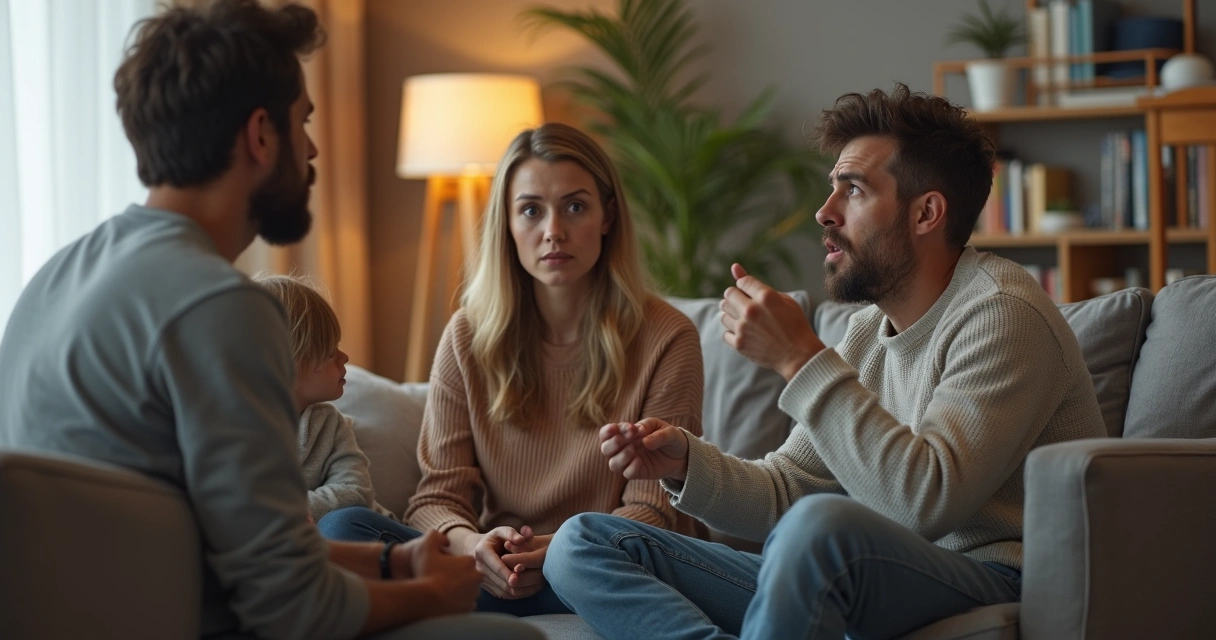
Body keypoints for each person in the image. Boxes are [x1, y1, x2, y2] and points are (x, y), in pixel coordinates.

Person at [0, 1, 541, 638]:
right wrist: (430, 594)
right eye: (302, 122)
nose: (311, 148)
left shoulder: (53, 277)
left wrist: (390, 560)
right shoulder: (221, 307)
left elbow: (220, 543)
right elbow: (292, 608)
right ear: (261, 135)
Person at [542, 84, 1108, 639]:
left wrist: (798, 357)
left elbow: (926, 500)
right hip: (862, 570)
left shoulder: (1002, 313)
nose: (823, 212)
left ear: (927, 213)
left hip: (995, 578)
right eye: (831, 188)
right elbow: (789, 489)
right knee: (582, 543)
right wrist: (685, 464)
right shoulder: (868, 332)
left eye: (853, 190)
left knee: (821, 530)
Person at [318, 122, 706, 617]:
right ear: (506, 222)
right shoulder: (467, 335)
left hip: (606, 565)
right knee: (343, 529)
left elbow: (655, 511)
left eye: (575, 206)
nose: (553, 231)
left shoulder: (666, 336)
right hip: (497, 572)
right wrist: (473, 545)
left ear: (608, 216)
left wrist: (558, 551)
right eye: (530, 210)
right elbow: (437, 497)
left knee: (595, 562)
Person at [254, 274, 399, 523]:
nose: (345, 358)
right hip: (294, 549)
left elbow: (356, 492)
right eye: (330, 351)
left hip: (370, 535)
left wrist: (287, 511)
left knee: (340, 524)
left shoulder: (330, 424)